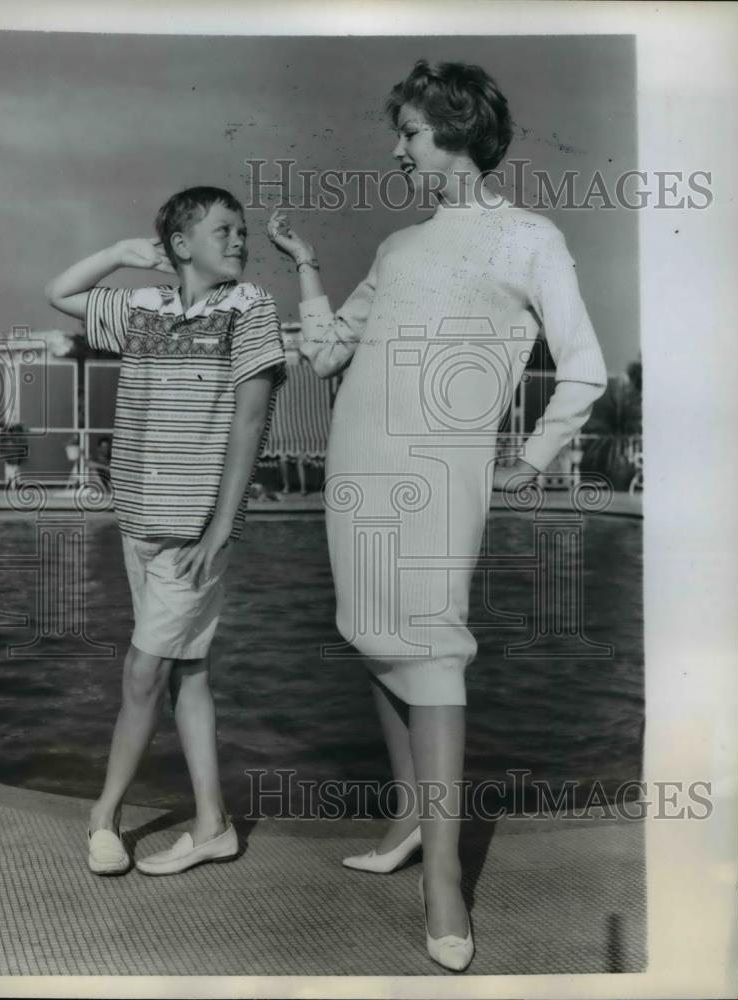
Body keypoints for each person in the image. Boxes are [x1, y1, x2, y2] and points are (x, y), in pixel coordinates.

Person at [268, 60, 607, 971]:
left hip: (444, 468)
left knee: (433, 642)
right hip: (358, 461)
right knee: (373, 633)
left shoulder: (532, 237)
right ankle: (410, 820)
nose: (397, 149)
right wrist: (305, 272)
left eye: (410, 133)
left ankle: (445, 880)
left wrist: (530, 461)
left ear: (456, 134)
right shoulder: (398, 246)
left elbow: (583, 367)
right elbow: (331, 356)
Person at [46, 186, 286, 876]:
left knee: (142, 673)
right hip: (140, 519)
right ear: (180, 245)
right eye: (223, 230)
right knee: (190, 674)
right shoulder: (143, 308)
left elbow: (250, 421)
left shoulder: (251, 308)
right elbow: (59, 292)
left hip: (191, 530)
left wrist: (220, 525)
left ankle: (103, 817)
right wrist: (123, 254)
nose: (240, 239)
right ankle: (213, 825)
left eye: (242, 230)